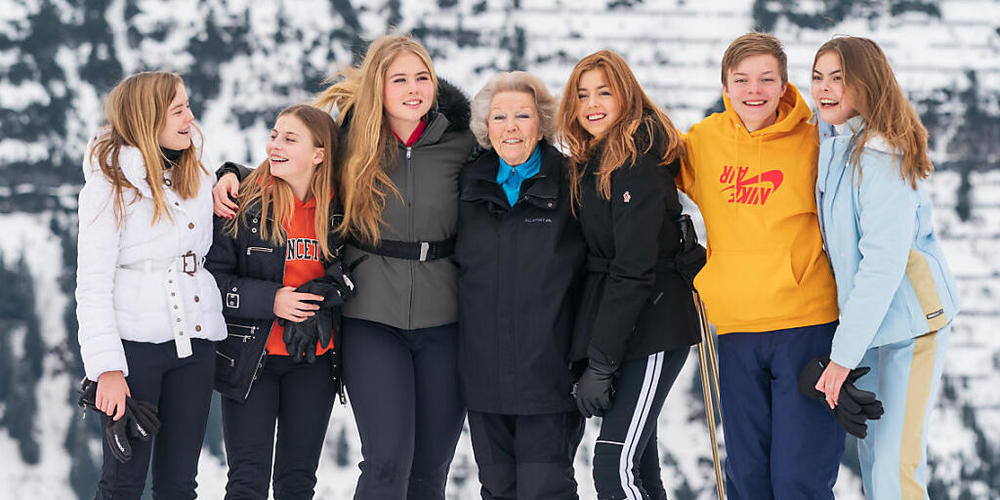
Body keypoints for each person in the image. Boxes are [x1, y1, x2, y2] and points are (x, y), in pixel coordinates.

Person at [210, 34, 476, 499]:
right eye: (400, 79)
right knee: (387, 463)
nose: (414, 89)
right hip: (371, 314)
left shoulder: (462, 143)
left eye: (422, 78)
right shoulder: (351, 143)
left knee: (430, 470)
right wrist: (228, 173)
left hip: (445, 315)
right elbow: (289, 163)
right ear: (378, 86)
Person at [678, 32, 846, 498]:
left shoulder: (817, 138)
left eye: (766, 79)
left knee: (799, 480)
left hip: (806, 326)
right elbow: (647, 172)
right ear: (726, 87)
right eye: (742, 80)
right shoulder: (704, 141)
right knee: (748, 481)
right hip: (734, 332)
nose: (755, 90)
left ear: (783, 83)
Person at [811, 35, 960, 500]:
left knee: (896, 469)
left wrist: (841, 358)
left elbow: (881, 266)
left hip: (911, 328)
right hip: (873, 331)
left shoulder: (881, 158)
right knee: (878, 464)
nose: (824, 89)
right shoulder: (840, 147)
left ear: (867, 83)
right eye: (817, 77)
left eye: (839, 77)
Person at [556, 50, 701, 500]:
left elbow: (634, 269)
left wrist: (602, 361)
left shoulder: (638, 161)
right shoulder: (594, 160)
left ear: (627, 97)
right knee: (640, 467)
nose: (592, 103)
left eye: (604, 91)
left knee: (614, 466)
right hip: (623, 325)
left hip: (654, 325)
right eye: (582, 94)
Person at [76, 71, 225, 499]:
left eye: (188, 107)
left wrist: (230, 174)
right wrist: (106, 368)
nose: (189, 118)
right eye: (178, 109)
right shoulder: (109, 186)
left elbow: (239, 186)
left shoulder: (195, 173)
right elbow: (92, 284)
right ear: (147, 117)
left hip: (195, 345)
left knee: (180, 485)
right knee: (123, 484)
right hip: (134, 352)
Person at [205, 104, 349, 499]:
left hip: (314, 361)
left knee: (298, 480)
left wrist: (328, 291)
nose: (274, 145)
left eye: (289, 138)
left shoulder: (341, 209)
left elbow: (357, 269)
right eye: (273, 135)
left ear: (319, 154)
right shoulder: (244, 203)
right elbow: (211, 282)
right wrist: (273, 300)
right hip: (254, 360)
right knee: (247, 481)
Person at [457, 71, 587, 499]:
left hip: (548, 378)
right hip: (482, 378)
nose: (510, 127)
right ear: (485, 128)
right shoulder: (466, 186)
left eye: (522, 116)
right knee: (497, 489)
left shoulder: (571, 183)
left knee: (543, 491)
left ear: (542, 123)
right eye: (499, 117)